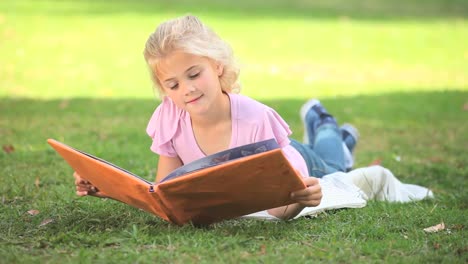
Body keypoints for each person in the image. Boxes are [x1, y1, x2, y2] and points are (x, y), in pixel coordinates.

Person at [73, 15, 359, 220]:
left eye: (194, 74)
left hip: (293, 156)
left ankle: (327, 127)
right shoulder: (169, 118)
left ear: (218, 66)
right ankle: (329, 131)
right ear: (164, 90)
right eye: (173, 85)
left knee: (336, 165)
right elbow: (165, 196)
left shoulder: (256, 119)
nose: (188, 89)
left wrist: (301, 199)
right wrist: (109, 189)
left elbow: (279, 209)